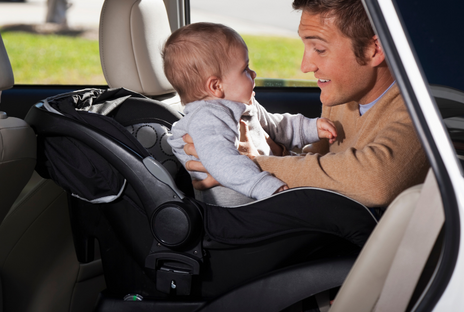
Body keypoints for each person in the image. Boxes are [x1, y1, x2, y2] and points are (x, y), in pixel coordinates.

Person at [183, 0, 430, 208]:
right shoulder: (344, 96)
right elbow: (321, 164)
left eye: (319, 49)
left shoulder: (422, 110)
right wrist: (276, 152)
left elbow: (376, 182)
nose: (305, 66)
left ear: (374, 49)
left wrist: (240, 167)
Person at [163, 22, 338, 207]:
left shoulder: (243, 105)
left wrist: (310, 127)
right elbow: (224, 162)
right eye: (244, 69)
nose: (253, 73)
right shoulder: (207, 118)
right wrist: (264, 185)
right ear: (216, 86)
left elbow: (276, 126)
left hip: (260, 200)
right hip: (238, 214)